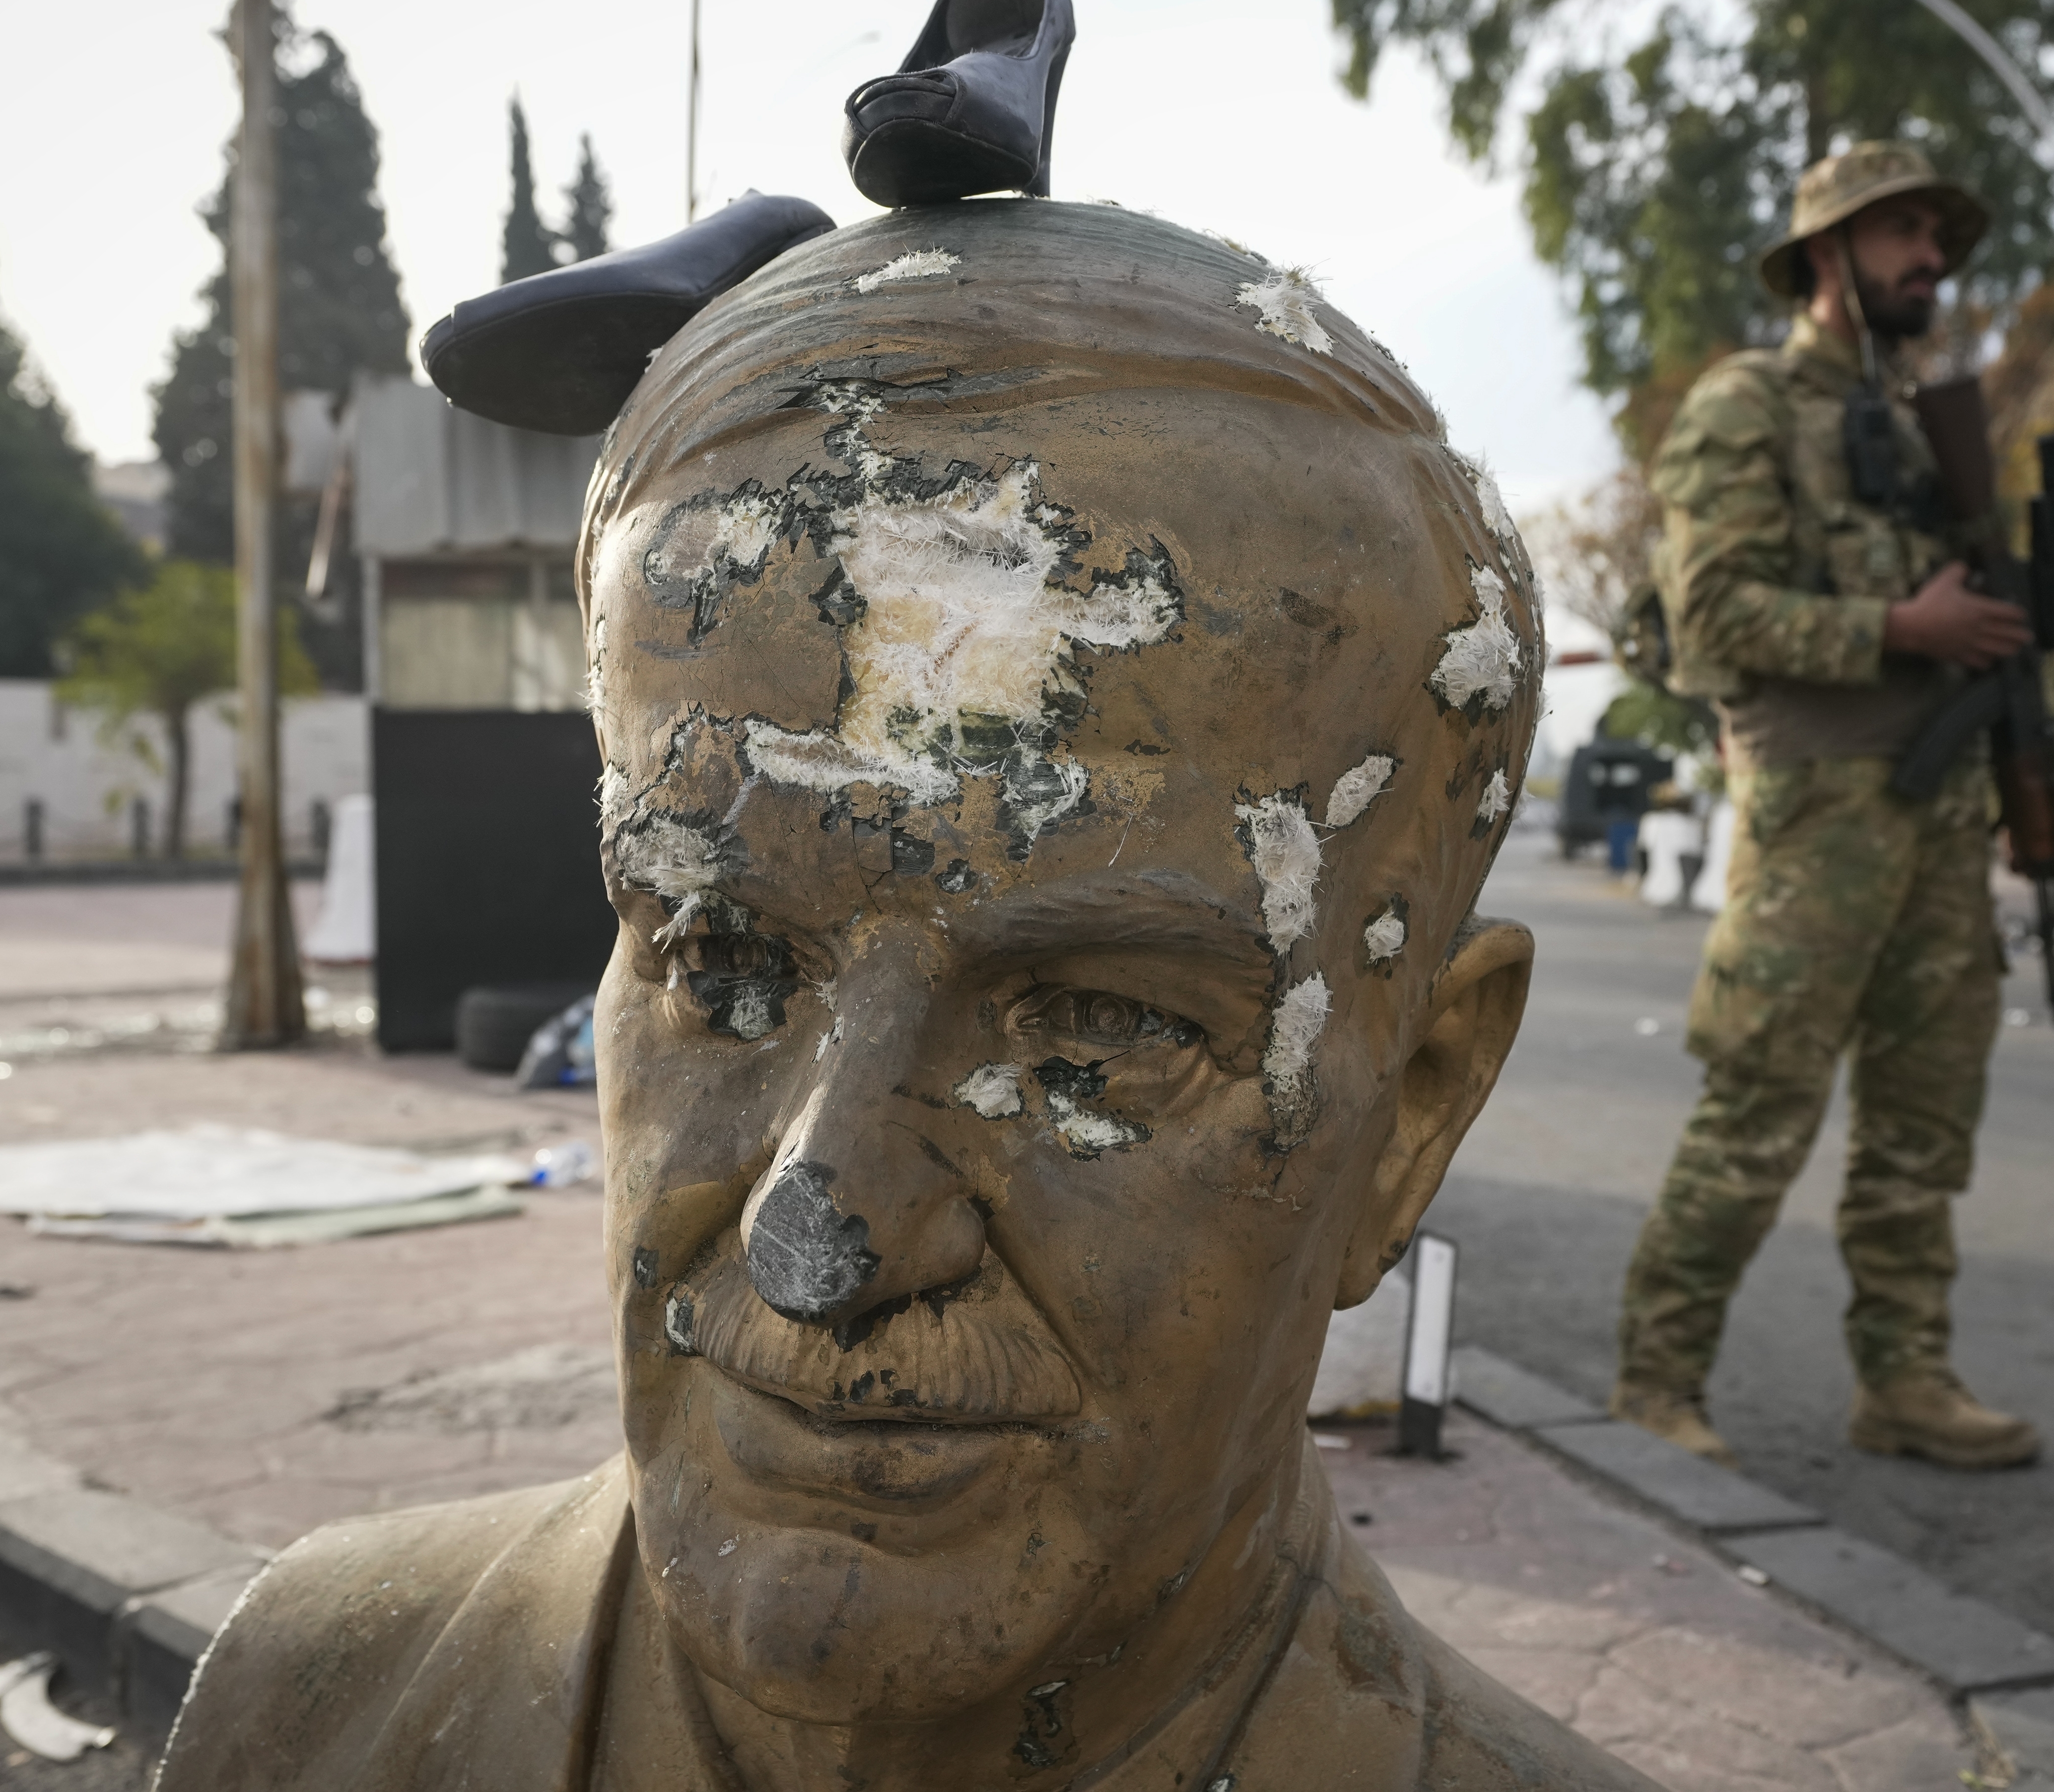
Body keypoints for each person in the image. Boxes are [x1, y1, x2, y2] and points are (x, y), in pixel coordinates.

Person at [156, 199, 1653, 1792]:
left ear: (1415, 1114)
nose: (822, 1238)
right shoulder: (311, 1705)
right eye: (723, 962)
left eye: (1105, 1029)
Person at [1610, 141, 2044, 1472]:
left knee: (1925, 1121)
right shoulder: (1745, 409)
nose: (1930, 257)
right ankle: (1655, 1384)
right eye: (1902, 230)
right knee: (1760, 1107)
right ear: (1825, 257)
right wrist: (1897, 624)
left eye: (1936, 233)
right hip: (1819, 818)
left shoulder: (1927, 431)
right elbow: (1712, 618)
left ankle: (1905, 1380)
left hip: (1941, 817)